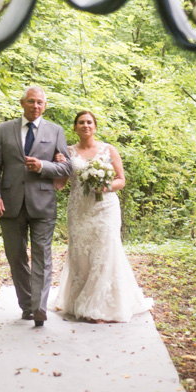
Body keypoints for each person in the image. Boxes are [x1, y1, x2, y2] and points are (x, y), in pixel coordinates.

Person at [54, 110, 152, 322]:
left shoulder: (109, 149)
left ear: (95, 126)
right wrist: (56, 164)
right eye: (81, 122)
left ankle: (99, 307)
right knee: (80, 254)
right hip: (78, 210)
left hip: (105, 209)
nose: (85, 125)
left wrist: (104, 186)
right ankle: (79, 299)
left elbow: (121, 180)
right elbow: (59, 185)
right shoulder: (67, 151)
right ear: (75, 127)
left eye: (89, 122)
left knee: (105, 251)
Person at [0, 86, 72, 327]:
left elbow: (66, 168)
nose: (36, 106)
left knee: (42, 255)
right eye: (31, 102)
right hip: (10, 203)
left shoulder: (56, 131)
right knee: (16, 256)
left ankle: (40, 308)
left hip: (43, 203)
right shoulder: (4, 130)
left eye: (40, 103)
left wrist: (43, 166)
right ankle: (27, 305)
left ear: (45, 106)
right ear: (22, 103)